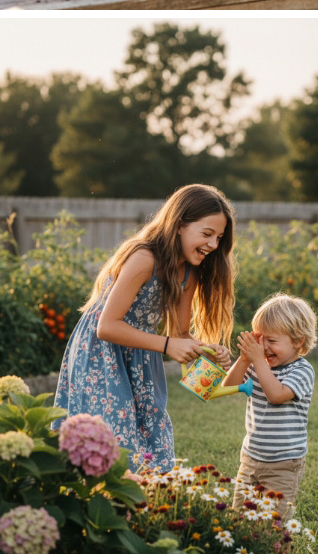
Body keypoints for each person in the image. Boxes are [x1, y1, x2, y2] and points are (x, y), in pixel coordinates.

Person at [54, 185, 236, 470]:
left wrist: (206, 351)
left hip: (141, 353)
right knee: (114, 432)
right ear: (179, 225)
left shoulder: (189, 272)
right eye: (207, 234)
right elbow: (106, 326)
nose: (213, 245)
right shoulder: (144, 259)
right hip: (102, 353)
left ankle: (149, 499)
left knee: (151, 427)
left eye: (219, 238)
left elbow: (178, 334)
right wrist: (166, 345)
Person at [222, 292, 317, 522]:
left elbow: (276, 395)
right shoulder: (257, 365)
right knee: (241, 519)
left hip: (283, 464)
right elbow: (229, 385)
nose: (263, 347)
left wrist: (255, 360)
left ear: (298, 341)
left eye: (272, 341)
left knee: (274, 523)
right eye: (260, 339)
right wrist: (245, 359)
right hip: (250, 458)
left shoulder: (302, 371)